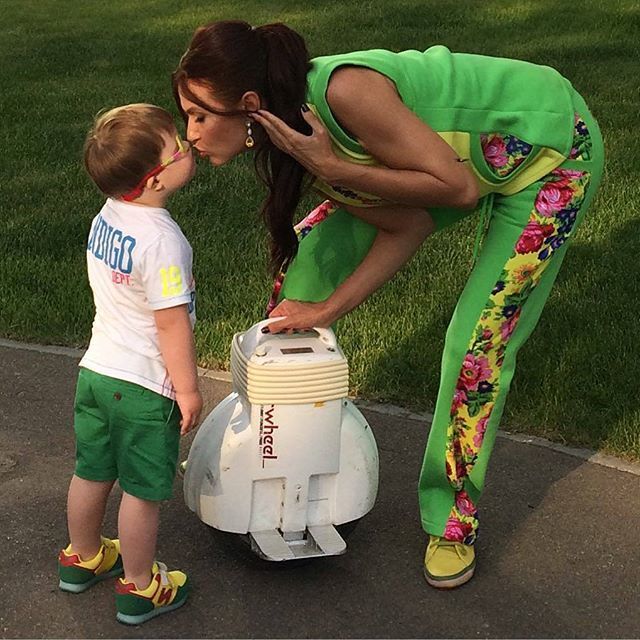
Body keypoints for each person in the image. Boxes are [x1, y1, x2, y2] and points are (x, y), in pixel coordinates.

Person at [172, 20, 604, 588]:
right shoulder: (293, 133)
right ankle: (274, 449)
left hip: (548, 153)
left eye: (199, 115)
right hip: (456, 166)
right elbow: (407, 225)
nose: (190, 134)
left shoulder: (346, 92)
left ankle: (452, 522)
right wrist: (324, 310)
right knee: (305, 264)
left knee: (476, 346)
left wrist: (333, 168)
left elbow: (456, 191)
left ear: (249, 106)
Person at [58, 104, 201, 623]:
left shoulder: (108, 215)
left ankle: (82, 557)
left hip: (96, 371)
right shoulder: (163, 241)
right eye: (177, 145)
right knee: (141, 491)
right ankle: (140, 587)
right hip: (143, 385)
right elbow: (171, 324)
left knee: (92, 471)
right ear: (155, 179)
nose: (188, 145)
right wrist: (187, 389)